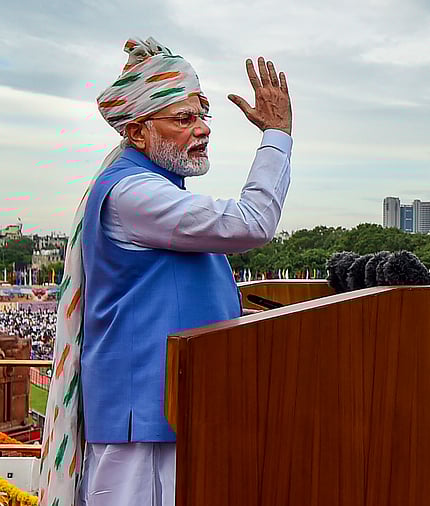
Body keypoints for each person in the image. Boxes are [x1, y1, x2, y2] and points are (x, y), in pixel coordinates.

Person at [39, 37, 293, 506]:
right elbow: (253, 223)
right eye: (184, 119)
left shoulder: (157, 190)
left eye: (203, 115)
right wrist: (276, 136)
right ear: (136, 133)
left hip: (174, 413)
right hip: (144, 425)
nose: (202, 130)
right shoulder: (134, 194)